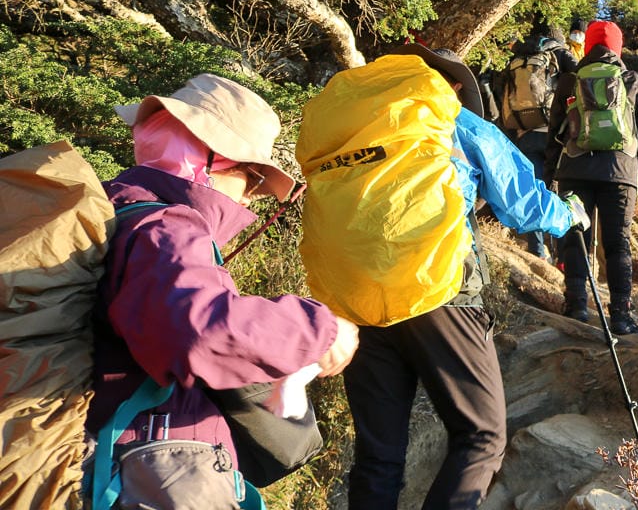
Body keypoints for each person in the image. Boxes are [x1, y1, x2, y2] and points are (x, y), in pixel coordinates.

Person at [338, 43, 586, 510]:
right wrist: (567, 215)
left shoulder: (359, 126)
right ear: (450, 83)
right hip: (439, 291)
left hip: (359, 298)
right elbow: (519, 202)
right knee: (482, 436)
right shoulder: (453, 119)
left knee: (378, 456)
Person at [87, 74, 360, 497]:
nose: (251, 198)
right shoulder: (168, 226)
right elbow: (199, 330)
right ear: (208, 160)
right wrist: (319, 328)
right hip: (144, 473)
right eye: (252, 179)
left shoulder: (113, 208)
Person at [545, 21, 638, 335]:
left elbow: (555, 129)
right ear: (617, 47)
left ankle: (577, 305)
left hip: (575, 169)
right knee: (617, 244)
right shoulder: (631, 80)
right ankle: (621, 316)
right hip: (620, 174)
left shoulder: (570, 81)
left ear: (589, 45)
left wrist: (549, 171)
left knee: (575, 238)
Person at [492, 20, 577, 261]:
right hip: (553, 134)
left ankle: (537, 251)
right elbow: (578, 76)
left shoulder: (519, 55)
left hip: (523, 133)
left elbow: (501, 90)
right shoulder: (558, 54)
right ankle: (564, 257)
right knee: (560, 194)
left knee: (535, 191)